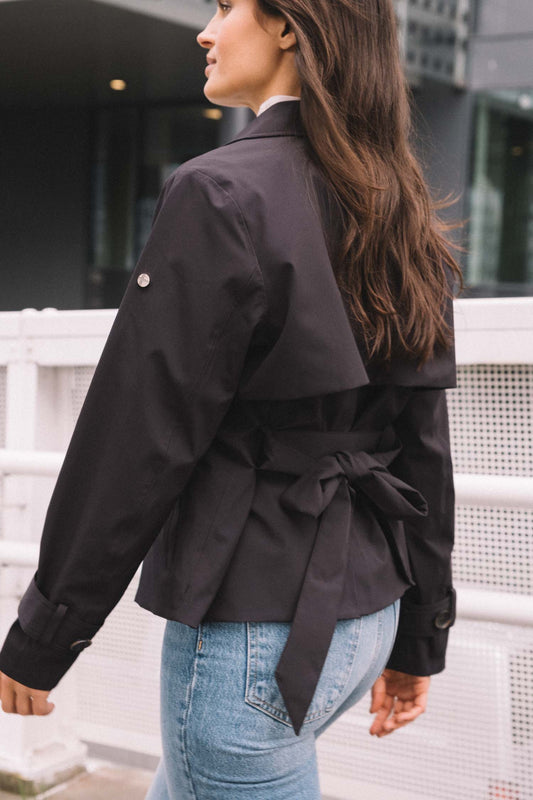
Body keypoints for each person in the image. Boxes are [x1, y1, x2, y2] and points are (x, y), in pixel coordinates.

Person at [0, 0, 464, 796]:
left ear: (288, 24)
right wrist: (420, 633)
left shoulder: (218, 191)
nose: (206, 32)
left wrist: (47, 634)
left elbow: (138, 438)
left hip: (257, 636)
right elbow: (421, 439)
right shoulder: (395, 197)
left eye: (225, 6)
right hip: (363, 616)